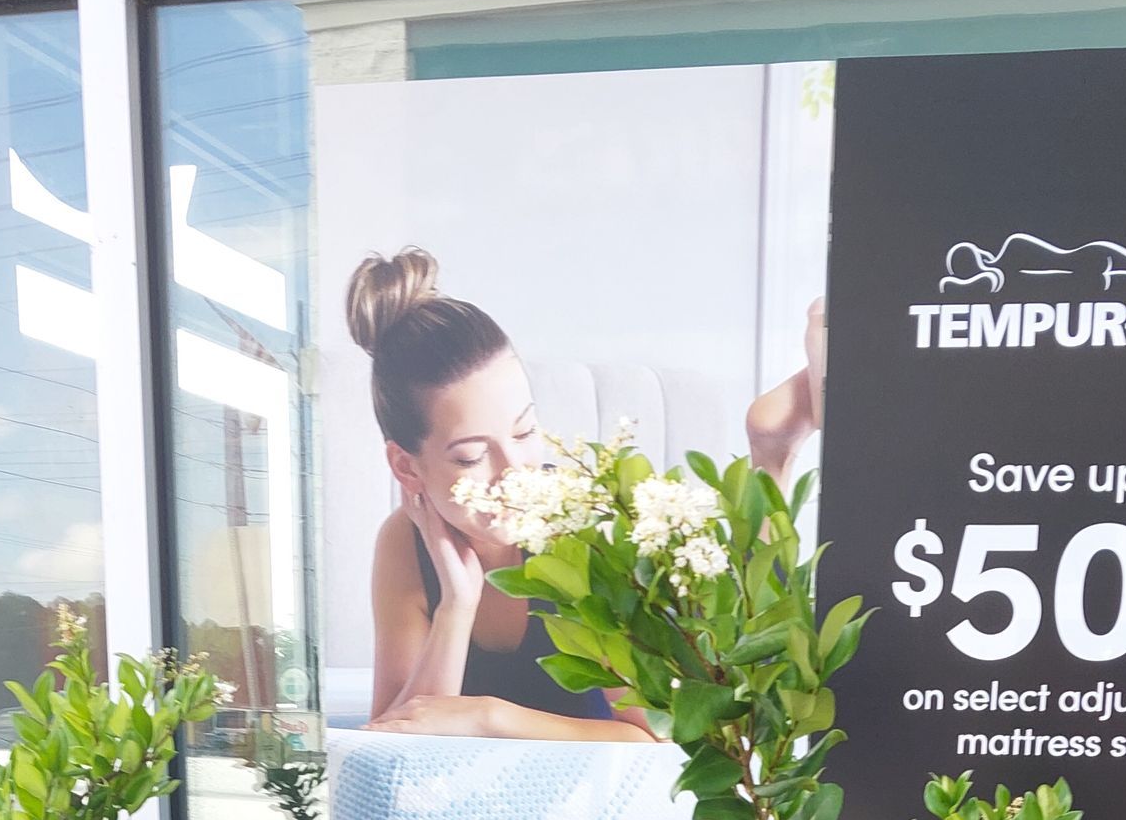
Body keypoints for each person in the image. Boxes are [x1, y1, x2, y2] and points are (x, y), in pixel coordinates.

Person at [347, 248, 824, 740]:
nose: (514, 473)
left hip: (611, 775)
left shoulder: (579, 523)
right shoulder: (404, 542)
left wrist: (488, 717)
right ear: (406, 467)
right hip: (492, 789)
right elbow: (391, 743)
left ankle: (772, 456)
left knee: (749, 656)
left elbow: (653, 737)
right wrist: (456, 605)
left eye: (525, 431)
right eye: (472, 456)